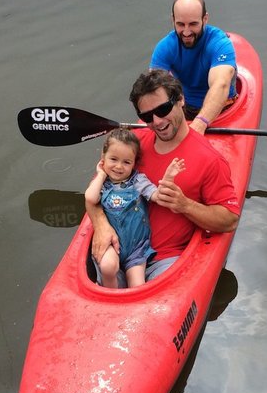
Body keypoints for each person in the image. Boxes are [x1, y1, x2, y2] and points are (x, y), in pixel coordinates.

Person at [86, 70, 241, 284]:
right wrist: (101, 224)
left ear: (180, 100)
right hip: (118, 248)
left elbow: (229, 219)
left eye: (163, 109)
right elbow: (97, 191)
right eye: (147, 116)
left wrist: (185, 205)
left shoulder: (210, 160)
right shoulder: (133, 144)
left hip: (165, 259)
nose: (157, 121)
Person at [84, 128, 185, 289]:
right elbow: (90, 198)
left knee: (138, 286)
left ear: (134, 163)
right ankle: (111, 294)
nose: (118, 166)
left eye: (126, 162)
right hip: (111, 244)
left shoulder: (138, 181)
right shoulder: (102, 184)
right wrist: (101, 174)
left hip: (137, 249)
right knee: (108, 267)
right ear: (103, 158)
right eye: (113, 159)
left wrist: (168, 179)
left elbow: (156, 196)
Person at [149, 0, 237, 135]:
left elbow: (220, 85)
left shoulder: (220, 44)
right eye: (180, 24)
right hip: (184, 107)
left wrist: (200, 122)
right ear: (173, 20)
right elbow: (154, 89)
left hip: (223, 108)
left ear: (205, 19)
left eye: (193, 24)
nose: (186, 32)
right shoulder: (164, 47)